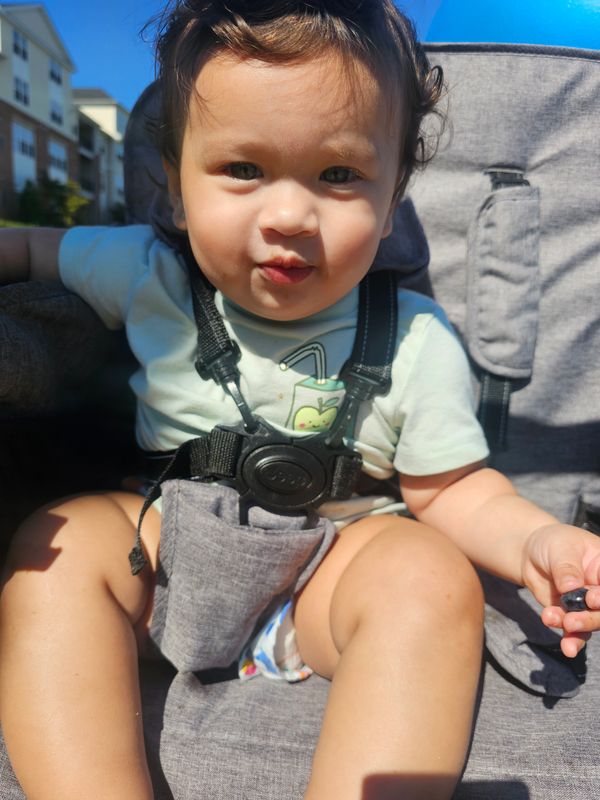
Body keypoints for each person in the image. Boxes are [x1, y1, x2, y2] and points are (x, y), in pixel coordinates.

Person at [0, 2, 599, 799]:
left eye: (340, 175)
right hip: (165, 555)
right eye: (242, 170)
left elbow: (450, 489)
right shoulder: (145, 266)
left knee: (427, 572)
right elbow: (35, 247)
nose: (288, 216)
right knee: (61, 541)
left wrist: (533, 542)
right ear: (175, 191)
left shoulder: (413, 337)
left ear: (391, 204)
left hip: (323, 579)